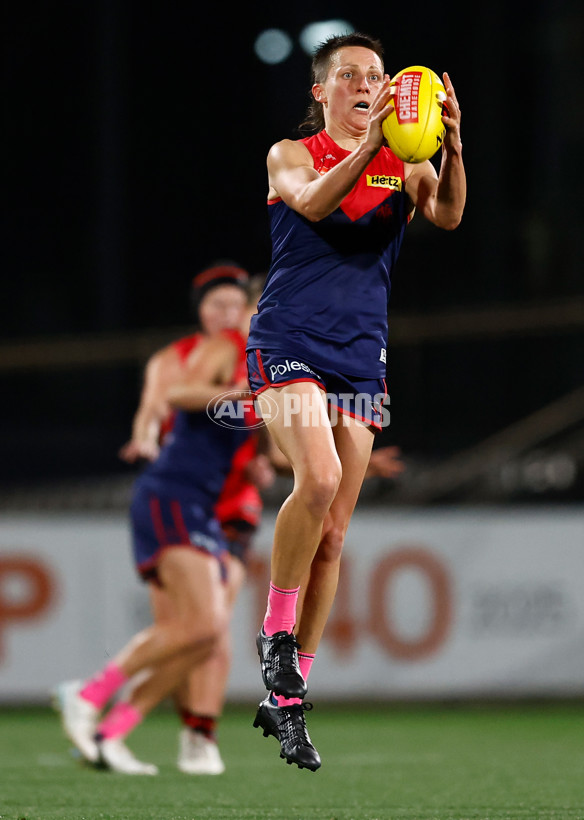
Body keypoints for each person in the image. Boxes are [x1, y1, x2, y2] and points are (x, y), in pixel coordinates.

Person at [246, 32, 466, 771]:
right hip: (288, 339)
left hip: (360, 359)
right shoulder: (291, 154)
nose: (365, 84)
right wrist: (369, 146)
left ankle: (288, 699)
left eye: (374, 76)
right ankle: (275, 639)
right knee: (320, 480)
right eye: (349, 76)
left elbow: (447, 217)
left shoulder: (408, 161)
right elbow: (310, 205)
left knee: (335, 536)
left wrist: (453, 149)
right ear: (322, 92)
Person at [55, 264, 267, 775]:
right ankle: (88, 695)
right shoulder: (229, 345)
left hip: (202, 504)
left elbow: (274, 450)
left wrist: (350, 459)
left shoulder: (271, 362)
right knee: (199, 626)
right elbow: (174, 395)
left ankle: (111, 729)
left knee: (202, 631)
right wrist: (241, 395)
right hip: (174, 493)